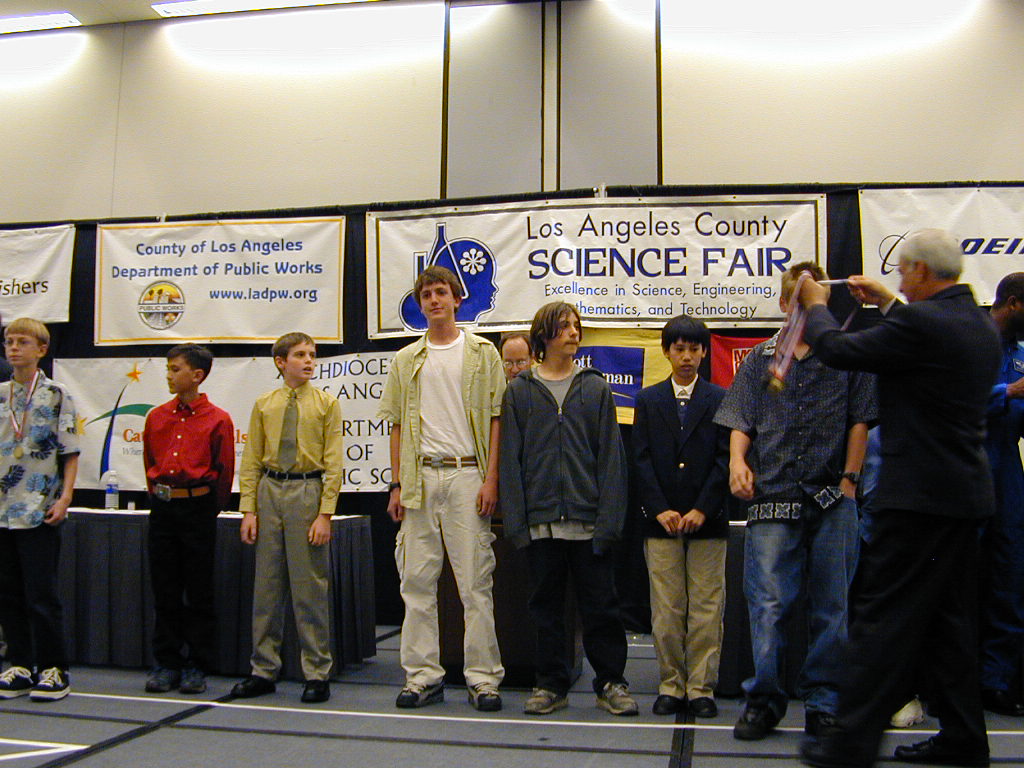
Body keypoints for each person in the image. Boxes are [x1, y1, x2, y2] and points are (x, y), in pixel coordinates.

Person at [797, 229, 1000, 768]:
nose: (901, 281)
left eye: (905, 272)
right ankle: (964, 739)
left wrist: (816, 305)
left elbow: (837, 349)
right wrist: (888, 303)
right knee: (948, 626)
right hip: (963, 498)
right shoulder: (977, 322)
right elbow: (923, 339)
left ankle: (849, 744)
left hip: (917, 502)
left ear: (921, 271)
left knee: (880, 620)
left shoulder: (922, 324)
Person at [714, 262, 876, 741]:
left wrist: (850, 481)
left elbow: (860, 420)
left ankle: (824, 703)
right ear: (785, 304)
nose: (803, 307)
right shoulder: (760, 359)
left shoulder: (847, 354)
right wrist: (736, 462)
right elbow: (741, 421)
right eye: (798, 300)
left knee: (832, 607)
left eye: (812, 299)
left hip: (832, 496)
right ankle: (763, 702)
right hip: (772, 497)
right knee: (767, 605)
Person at [500, 301, 638, 717]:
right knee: (545, 610)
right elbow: (510, 461)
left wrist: (609, 522)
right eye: (565, 326)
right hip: (541, 525)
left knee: (602, 609)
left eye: (577, 326)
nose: (574, 333)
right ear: (544, 334)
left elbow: (612, 459)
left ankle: (611, 682)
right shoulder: (519, 392)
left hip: (589, 522)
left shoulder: (595, 388)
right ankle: (550, 684)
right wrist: (518, 524)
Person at [378, 265, 505, 711]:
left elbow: (497, 418)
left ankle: (483, 679)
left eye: (440, 292)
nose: (434, 300)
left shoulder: (483, 353)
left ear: (456, 299)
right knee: (416, 582)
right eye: (426, 294)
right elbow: (396, 424)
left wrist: (491, 478)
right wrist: (396, 483)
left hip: (468, 475)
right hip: (419, 479)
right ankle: (422, 677)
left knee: (475, 585)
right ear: (420, 304)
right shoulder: (405, 359)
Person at [231, 332, 343, 704]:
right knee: (267, 586)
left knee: (309, 587)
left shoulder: (326, 404)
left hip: (306, 491)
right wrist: (249, 509)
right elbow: (251, 460)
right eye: (300, 355)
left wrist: (325, 513)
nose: (309, 360)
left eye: (312, 354)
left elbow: (334, 462)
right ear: (281, 362)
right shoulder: (265, 404)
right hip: (269, 490)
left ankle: (317, 671)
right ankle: (263, 669)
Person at [633, 315, 728, 718]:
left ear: (704, 352)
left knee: (706, 606)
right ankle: (671, 683)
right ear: (667, 352)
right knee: (667, 608)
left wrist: (703, 508)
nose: (686, 357)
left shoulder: (720, 398)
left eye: (694, 349)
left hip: (708, 520)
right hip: (662, 522)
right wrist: (659, 508)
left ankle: (701, 687)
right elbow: (640, 459)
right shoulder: (648, 399)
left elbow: (725, 459)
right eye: (679, 349)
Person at [142, 344, 235, 695]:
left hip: (198, 509)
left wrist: (209, 507)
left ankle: (197, 663)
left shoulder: (218, 419)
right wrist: (160, 496)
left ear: (197, 375)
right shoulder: (157, 417)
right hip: (164, 509)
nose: (169, 375)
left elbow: (224, 471)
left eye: (175, 369)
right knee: (165, 588)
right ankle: (167, 662)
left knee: (198, 589)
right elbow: (149, 462)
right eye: (168, 368)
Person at [0, 318, 79, 701]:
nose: (14, 348)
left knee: (41, 594)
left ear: (42, 349)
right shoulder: (0, 394)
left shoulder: (57, 395)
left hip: (39, 507)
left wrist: (65, 498)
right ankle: (19, 663)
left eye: (22, 342)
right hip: (2, 509)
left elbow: (70, 452)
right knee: (7, 593)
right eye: (9, 342)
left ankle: (53, 668)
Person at [979, 273, 1024, 717]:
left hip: (1007, 468)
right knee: (957, 577)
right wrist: (1008, 392)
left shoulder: (1021, 354)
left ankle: (997, 681)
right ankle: (946, 680)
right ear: (1012, 303)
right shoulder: (972, 341)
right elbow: (950, 400)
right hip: (965, 465)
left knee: (1009, 576)